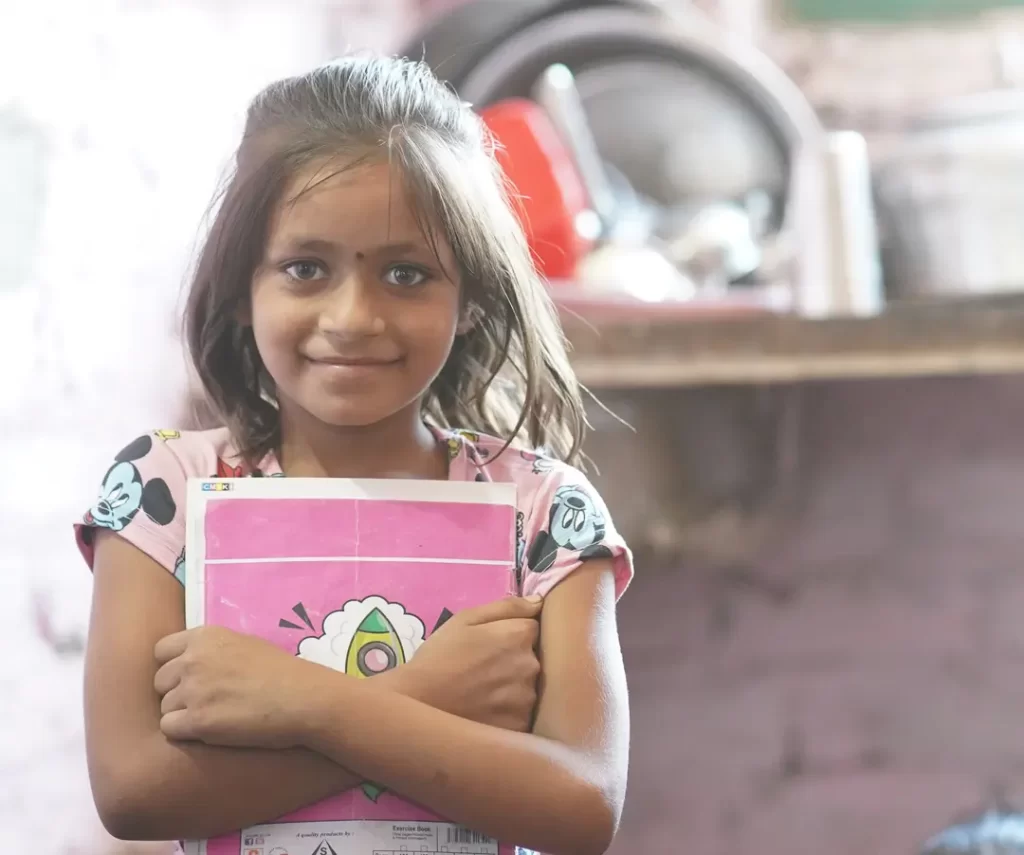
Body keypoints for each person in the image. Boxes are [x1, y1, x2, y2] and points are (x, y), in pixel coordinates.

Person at [75, 54, 632, 855]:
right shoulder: (164, 491)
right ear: (242, 288)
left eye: (407, 274)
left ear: (470, 296)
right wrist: (423, 693)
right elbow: (133, 792)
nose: (354, 317)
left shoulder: (547, 509)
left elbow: (582, 808)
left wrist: (299, 704)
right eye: (305, 269)